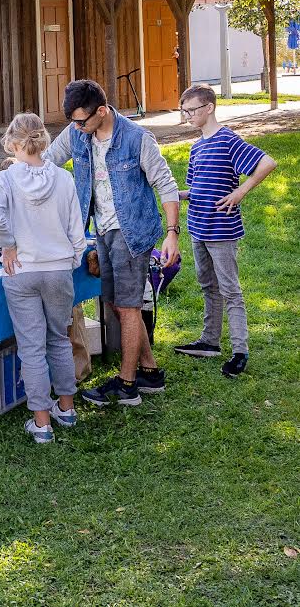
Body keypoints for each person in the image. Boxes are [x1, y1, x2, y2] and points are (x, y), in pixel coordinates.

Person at [42, 79, 181, 407]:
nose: (76, 128)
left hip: (132, 231)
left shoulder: (136, 138)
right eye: (73, 122)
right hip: (100, 230)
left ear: (101, 111)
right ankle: (149, 371)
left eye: (81, 121)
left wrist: (172, 232)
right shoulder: (78, 132)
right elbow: (47, 162)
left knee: (128, 306)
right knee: (120, 305)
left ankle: (127, 384)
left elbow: (166, 182)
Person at [0, 113, 87, 444]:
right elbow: (77, 228)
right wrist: (71, 257)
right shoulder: (63, 178)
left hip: (22, 270)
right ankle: (66, 408)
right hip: (58, 268)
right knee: (59, 337)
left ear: (13, 143)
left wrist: (9, 246)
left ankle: (42, 422)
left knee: (31, 346)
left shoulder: (5, 180)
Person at [172, 84, 277, 378]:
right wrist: (172, 192)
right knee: (208, 288)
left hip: (222, 230)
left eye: (191, 110)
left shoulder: (228, 140)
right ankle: (209, 342)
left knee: (231, 291)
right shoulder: (196, 147)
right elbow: (196, 189)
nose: (188, 115)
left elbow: (268, 162)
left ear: (209, 108)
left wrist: (241, 192)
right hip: (198, 228)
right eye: (185, 111)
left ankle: (240, 352)